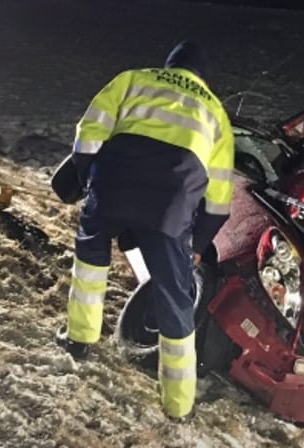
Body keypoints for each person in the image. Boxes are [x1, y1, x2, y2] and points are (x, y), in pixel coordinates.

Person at [55, 41, 235, 421]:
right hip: (170, 213)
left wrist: (92, 183)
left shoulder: (132, 79)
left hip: (113, 188)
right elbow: (219, 202)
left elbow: (87, 136)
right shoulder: (215, 113)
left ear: (169, 64)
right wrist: (197, 245)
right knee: (175, 299)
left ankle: (80, 340)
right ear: (202, 76)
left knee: (91, 264)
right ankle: (179, 404)